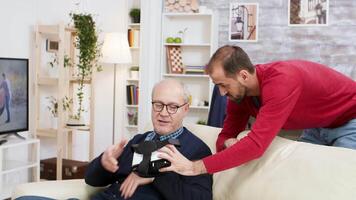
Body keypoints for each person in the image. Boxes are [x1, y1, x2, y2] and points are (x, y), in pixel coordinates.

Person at [158, 45, 356, 176]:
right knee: (301, 175)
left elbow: (256, 146)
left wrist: (195, 167)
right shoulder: (239, 95)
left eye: (223, 84)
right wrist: (228, 142)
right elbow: (225, 135)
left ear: (243, 75)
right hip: (317, 125)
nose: (221, 92)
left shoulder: (282, 81)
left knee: (342, 177)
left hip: (350, 118)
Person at [15, 79, 212, 200]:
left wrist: (153, 175)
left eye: (172, 107)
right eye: (158, 104)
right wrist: (103, 163)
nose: (163, 113)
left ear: (185, 109)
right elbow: (91, 179)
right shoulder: (141, 139)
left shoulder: (196, 149)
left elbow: (200, 198)